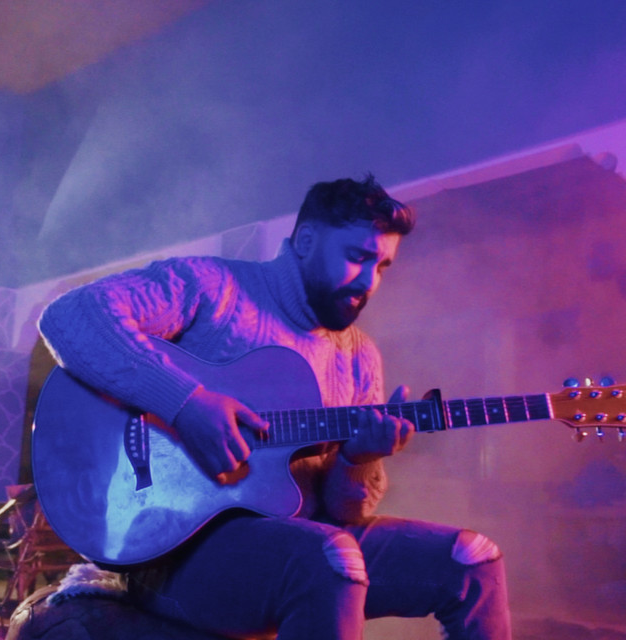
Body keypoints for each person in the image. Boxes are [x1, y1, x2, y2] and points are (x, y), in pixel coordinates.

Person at [38, 175, 511, 639]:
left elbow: (342, 512)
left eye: (383, 267)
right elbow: (71, 318)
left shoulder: (360, 356)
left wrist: (358, 457)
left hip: (301, 542)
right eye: (357, 257)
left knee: (473, 560)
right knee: (329, 556)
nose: (369, 281)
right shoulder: (214, 287)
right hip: (173, 553)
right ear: (306, 240)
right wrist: (185, 403)